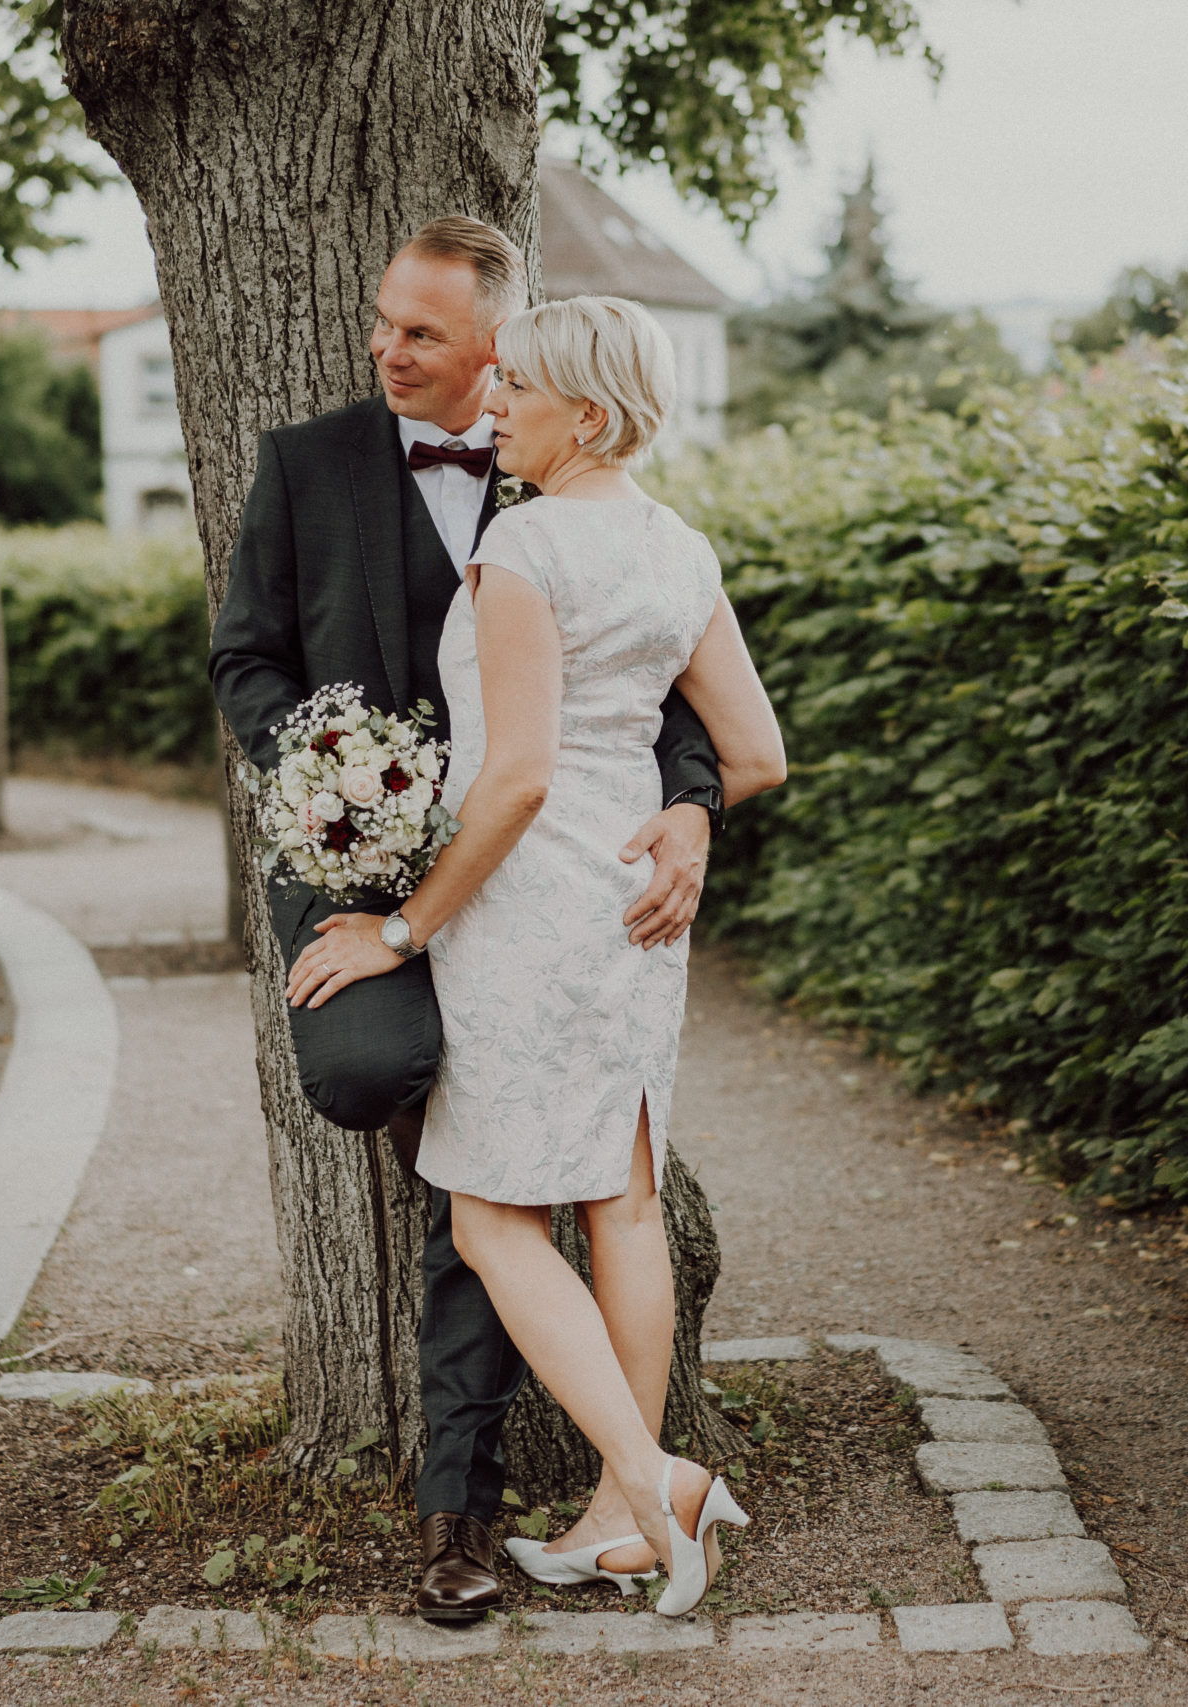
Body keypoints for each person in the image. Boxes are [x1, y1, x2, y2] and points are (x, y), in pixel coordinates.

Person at [208, 220, 727, 1622]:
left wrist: (693, 810)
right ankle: (615, 1481)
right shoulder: (307, 467)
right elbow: (245, 658)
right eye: (385, 322)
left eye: (422, 336)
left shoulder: (555, 502)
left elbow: (667, 716)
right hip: (375, 865)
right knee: (408, 1080)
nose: (388, 349)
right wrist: (331, 776)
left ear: (503, 360)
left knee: (492, 1181)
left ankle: (474, 1500)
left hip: (527, 870)